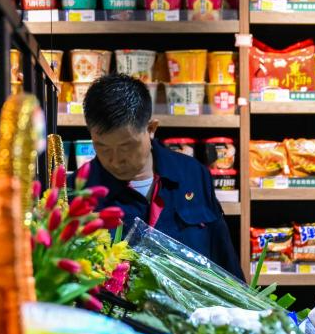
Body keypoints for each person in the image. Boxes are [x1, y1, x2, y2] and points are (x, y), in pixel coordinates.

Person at [80, 74, 243, 278]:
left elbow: (224, 261)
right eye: (102, 146)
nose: (115, 160)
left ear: (150, 129)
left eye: (126, 146)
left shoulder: (193, 174)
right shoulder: (78, 192)